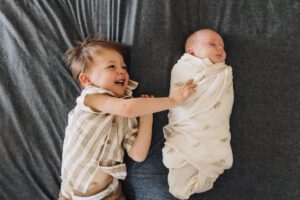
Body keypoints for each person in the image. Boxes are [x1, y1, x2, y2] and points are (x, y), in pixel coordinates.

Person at [58, 38, 196, 200]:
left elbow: (138, 154)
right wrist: (173, 101)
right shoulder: (90, 98)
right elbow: (128, 109)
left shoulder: (126, 117)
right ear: (86, 80)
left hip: (110, 194)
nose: (122, 71)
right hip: (70, 195)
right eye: (111, 66)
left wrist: (146, 117)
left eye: (124, 66)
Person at [162, 29, 234, 199]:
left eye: (222, 47)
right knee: (180, 175)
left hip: (214, 126)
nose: (219, 49)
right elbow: (179, 93)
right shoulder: (183, 68)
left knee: (213, 147)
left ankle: (202, 172)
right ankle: (187, 178)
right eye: (212, 45)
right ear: (191, 53)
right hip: (188, 125)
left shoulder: (222, 72)